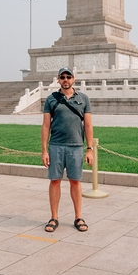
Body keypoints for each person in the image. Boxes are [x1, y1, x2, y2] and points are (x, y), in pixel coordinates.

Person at [41, 67, 94, 233]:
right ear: (58, 79)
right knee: (55, 181)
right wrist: (44, 150)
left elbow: (88, 125)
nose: (65, 79)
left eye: (68, 77)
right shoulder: (51, 99)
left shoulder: (83, 98)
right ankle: (54, 217)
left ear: (73, 79)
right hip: (56, 145)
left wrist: (90, 149)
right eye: (62, 77)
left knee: (75, 181)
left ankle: (78, 216)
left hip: (76, 146)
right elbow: (45, 125)